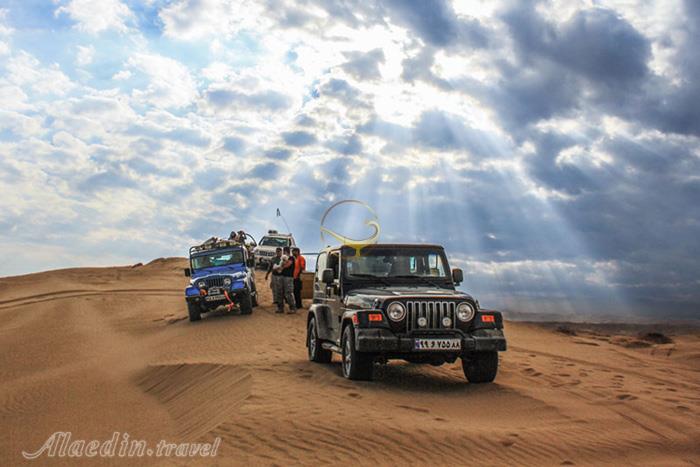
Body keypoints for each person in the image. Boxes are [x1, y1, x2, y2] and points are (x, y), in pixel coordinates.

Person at [278, 246, 296, 314]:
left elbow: (287, 265)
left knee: (288, 293)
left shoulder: (291, 258)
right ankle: (280, 308)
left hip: (288, 277)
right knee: (280, 292)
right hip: (282, 276)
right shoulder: (284, 258)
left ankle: (292, 308)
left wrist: (282, 266)